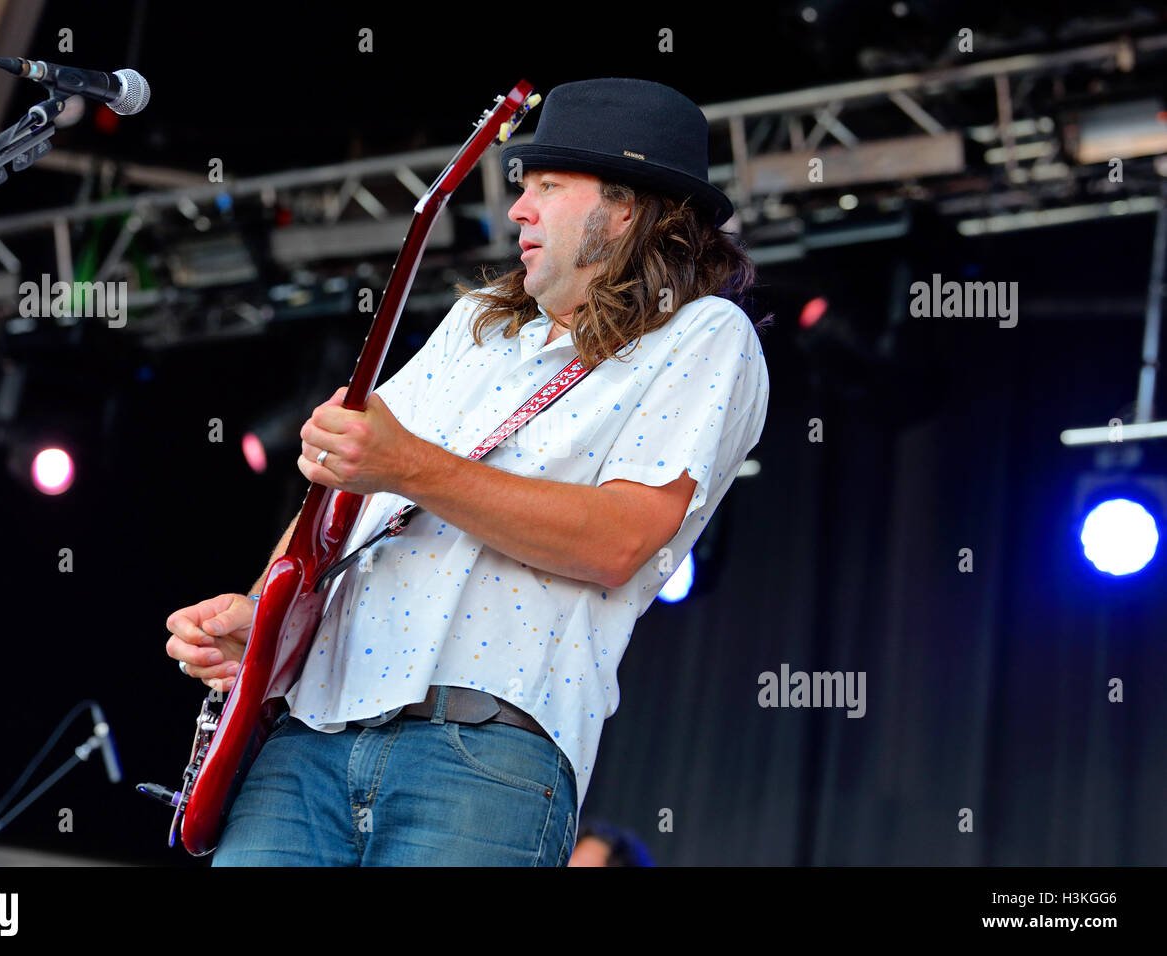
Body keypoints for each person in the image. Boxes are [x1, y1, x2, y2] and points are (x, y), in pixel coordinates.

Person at [165, 77, 770, 866]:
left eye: (549, 187)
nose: (519, 208)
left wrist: (411, 465)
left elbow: (620, 540)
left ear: (627, 208)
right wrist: (263, 618)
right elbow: (349, 482)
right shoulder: (475, 325)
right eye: (524, 186)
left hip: (482, 759)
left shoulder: (704, 335)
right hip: (303, 739)